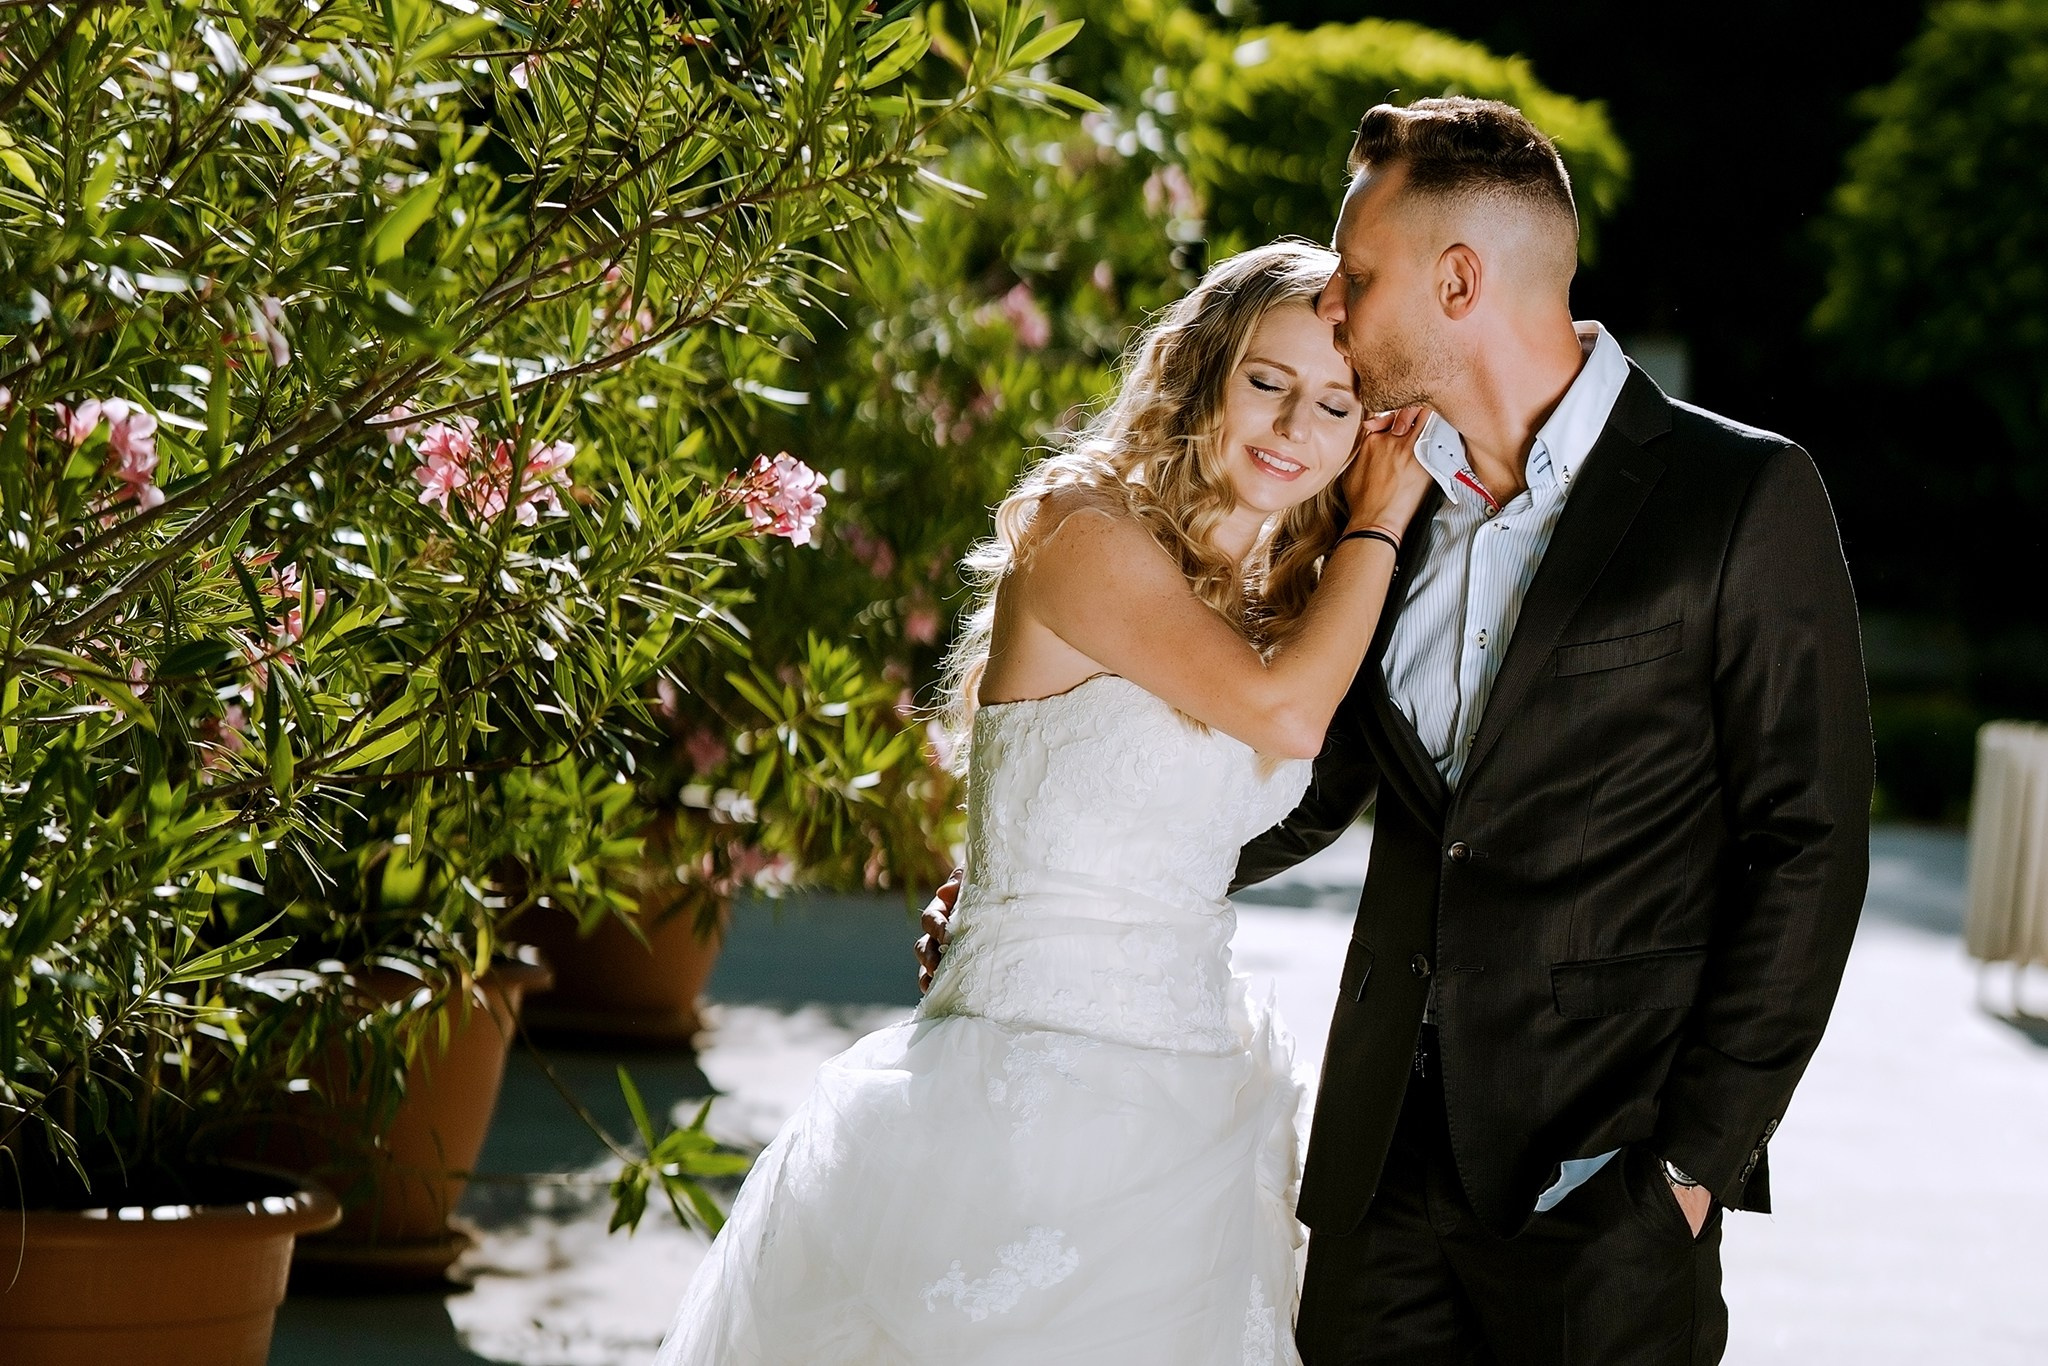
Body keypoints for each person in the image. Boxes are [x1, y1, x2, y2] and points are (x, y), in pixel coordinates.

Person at [920, 98, 1873, 1365]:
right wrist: (1063, 893)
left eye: (1358, 277)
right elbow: (1312, 781)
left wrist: (1690, 1169)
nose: (1337, 311)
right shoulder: (1380, 506)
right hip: (1372, 1186)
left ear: (1459, 279)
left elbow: (1807, 846)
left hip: (1602, 1183)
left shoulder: (1734, 495)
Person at [652, 239, 1434, 1366]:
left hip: (1195, 1107)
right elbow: (1286, 719)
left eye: (1333, 402)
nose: (1291, 428)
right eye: (1266, 381)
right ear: (1202, 368)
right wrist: (1379, 518)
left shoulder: (1293, 598)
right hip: (1014, 1093)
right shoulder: (1080, 526)